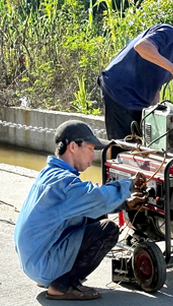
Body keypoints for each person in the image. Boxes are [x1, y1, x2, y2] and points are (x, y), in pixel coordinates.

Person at [14, 120, 147, 301]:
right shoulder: (64, 184)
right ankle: (61, 286)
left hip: (34, 258)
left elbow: (89, 203)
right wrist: (128, 184)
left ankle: (54, 277)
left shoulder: (50, 173)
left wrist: (123, 203)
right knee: (108, 230)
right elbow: (97, 197)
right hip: (43, 262)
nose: (93, 156)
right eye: (91, 149)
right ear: (73, 147)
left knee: (97, 214)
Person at [98, 17, 173, 140]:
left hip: (137, 102)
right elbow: (142, 46)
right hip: (120, 90)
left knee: (143, 147)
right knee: (123, 147)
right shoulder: (169, 32)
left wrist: (154, 112)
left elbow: (155, 87)